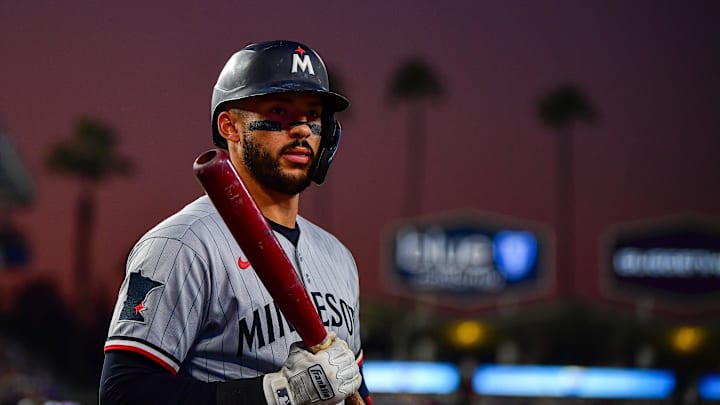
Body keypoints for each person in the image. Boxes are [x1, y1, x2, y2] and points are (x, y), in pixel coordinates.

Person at [99, 40, 372, 405]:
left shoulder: (338, 258)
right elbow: (123, 394)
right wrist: (277, 394)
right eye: (279, 110)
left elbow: (353, 387)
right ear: (230, 126)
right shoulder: (181, 244)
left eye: (312, 115)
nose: (303, 130)